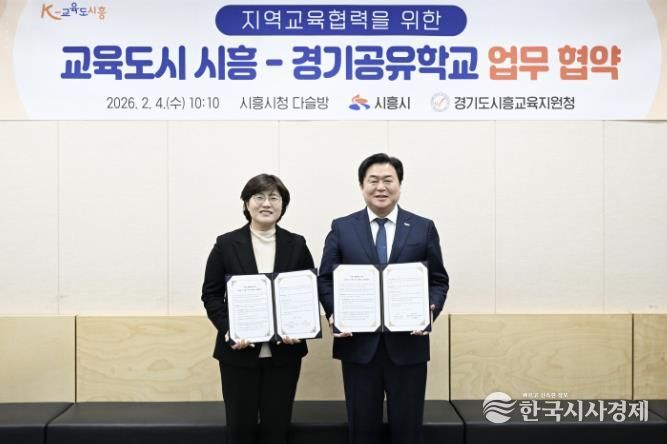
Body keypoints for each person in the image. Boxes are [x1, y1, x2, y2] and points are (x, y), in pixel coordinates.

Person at [318, 153, 449, 444]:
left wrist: (430, 310)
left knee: (408, 429)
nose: (381, 187)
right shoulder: (342, 227)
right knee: (362, 430)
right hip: (358, 346)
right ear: (362, 186)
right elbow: (325, 278)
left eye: (388, 180)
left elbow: (438, 280)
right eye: (373, 180)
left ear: (399, 184)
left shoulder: (422, 227)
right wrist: (335, 313)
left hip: (408, 345)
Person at [202, 174, 314, 444]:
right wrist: (229, 330)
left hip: (284, 354)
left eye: (274, 197)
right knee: (240, 429)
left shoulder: (297, 244)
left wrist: (300, 329)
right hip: (238, 355)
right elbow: (211, 295)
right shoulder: (226, 244)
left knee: (277, 428)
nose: (267, 203)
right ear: (246, 203)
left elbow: (307, 293)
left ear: (283, 205)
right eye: (259, 197)